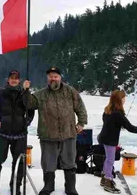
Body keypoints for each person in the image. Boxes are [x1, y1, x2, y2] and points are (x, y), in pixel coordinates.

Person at [23, 67, 88, 195]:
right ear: (47, 78)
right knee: (48, 163)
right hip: (48, 135)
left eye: (55, 76)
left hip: (68, 133)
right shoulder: (41, 94)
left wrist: (81, 123)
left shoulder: (70, 91)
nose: (53, 78)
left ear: (60, 77)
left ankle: (70, 187)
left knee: (69, 162)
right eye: (50, 76)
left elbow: (80, 107)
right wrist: (26, 90)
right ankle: (48, 186)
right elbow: (29, 104)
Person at [0, 70, 35, 195]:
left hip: (20, 134)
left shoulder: (25, 94)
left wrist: (26, 123)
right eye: (11, 78)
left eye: (16, 78)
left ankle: (15, 187)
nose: (14, 80)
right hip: (3, 133)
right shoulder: (0, 93)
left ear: (19, 80)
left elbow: (31, 110)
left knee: (19, 163)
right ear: (8, 80)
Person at [97, 90, 137, 193]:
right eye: (123, 98)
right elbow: (131, 128)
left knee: (108, 159)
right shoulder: (118, 114)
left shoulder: (107, 110)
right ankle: (108, 181)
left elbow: (108, 122)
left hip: (103, 138)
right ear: (119, 100)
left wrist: (117, 125)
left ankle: (104, 178)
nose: (125, 100)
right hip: (109, 140)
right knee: (110, 160)